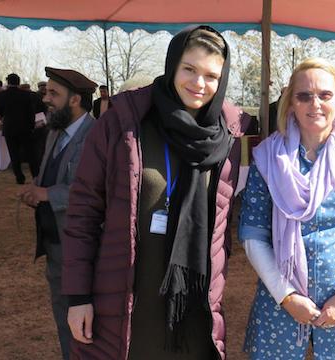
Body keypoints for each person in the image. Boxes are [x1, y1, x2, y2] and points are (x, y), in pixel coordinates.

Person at [62, 26, 250, 359]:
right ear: (172, 64)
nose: (199, 83)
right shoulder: (124, 123)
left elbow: (222, 230)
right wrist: (78, 297)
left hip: (194, 308)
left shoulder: (228, 138)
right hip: (124, 302)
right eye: (189, 69)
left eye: (211, 75)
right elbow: (83, 212)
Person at [239, 58, 335, 359]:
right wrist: (287, 296)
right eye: (304, 95)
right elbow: (253, 233)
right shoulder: (269, 157)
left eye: (325, 95)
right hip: (279, 302)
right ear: (290, 102)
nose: (314, 104)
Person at [19, 67, 98, 360]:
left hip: (81, 247)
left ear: (75, 99)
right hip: (55, 244)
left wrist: (47, 194)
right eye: (46, 92)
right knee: (64, 315)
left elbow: (93, 190)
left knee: (85, 321)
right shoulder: (55, 132)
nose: (46, 99)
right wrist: (36, 189)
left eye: (54, 93)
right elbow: (49, 174)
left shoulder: (96, 135)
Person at [0, 73, 37, 184]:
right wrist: (32, 126)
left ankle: (19, 177)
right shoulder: (26, 95)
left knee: (14, 154)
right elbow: (31, 112)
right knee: (30, 154)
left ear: (8, 82)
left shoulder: (0, 95)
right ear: (18, 82)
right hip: (25, 128)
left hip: (9, 127)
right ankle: (35, 176)